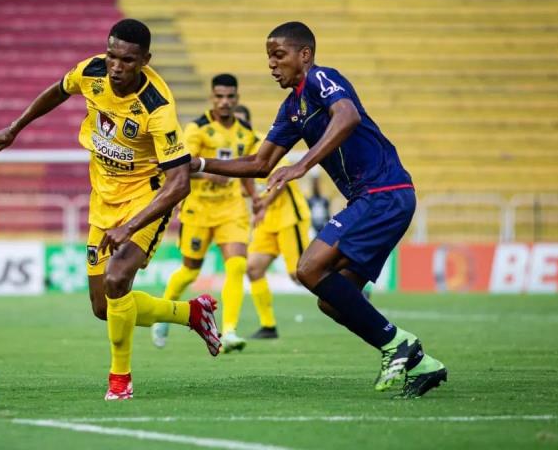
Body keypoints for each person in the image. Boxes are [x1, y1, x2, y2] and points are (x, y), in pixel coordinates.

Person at [190, 21, 447, 398]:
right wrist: (197, 164)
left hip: (384, 192)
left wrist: (301, 165)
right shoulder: (292, 107)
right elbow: (260, 163)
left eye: (279, 55)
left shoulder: (322, 78)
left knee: (308, 267)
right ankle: (422, 363)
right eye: (268, 58)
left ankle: (399, 344)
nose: (272, 65)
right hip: (372, 199)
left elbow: (347, 116)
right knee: (333, 301)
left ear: (304, 55)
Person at [0, 19, 221, 401]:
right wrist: (15, 127)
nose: (115, 66)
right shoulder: (92, 70)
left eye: (127, 60)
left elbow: (180, 183)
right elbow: (59, 90)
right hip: (103, 199)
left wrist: (130, 226)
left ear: (145, 60)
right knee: (104, 307)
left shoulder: (157, 107)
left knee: (116, 280)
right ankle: (192, 314)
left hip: (148, 199)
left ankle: (120, 380)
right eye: (112, 55)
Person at [151, 74, 258, 353]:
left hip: (231, 208)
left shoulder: (245, 132)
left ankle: (231, 330)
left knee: (236, 264)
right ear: (212, 97)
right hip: (198, 209)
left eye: (230, 97)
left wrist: (256, 197)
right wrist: (212, 172)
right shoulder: (196, 129)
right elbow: (178, 167)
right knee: (189, 270)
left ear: (237, 98)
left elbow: (248, 167)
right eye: (219, 96)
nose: (225, 102)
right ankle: (162, 317)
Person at [235, 104, 312, 339]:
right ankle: (268, 326)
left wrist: (263, 205)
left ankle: (352, 287)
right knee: (253, 268)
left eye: (241, 121)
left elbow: (282, 179)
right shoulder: (233, 149)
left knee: (300, 275)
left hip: (288, 216)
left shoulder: (266, 144)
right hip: (266, 220)